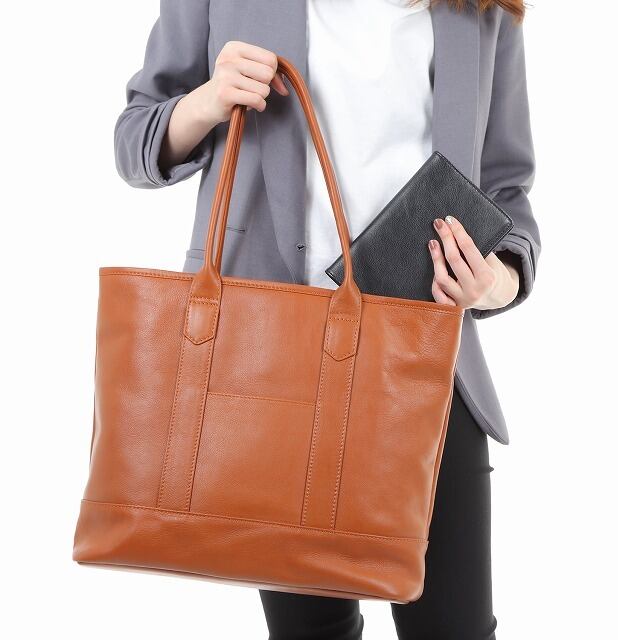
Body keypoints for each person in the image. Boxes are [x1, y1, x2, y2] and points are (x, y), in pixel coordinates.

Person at [114, 0, 540, 637]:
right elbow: (134, 141)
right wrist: (208, 100)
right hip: (269, 368)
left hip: (423, 362)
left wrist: (496, 280)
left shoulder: (481, 11)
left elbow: (506, 192)